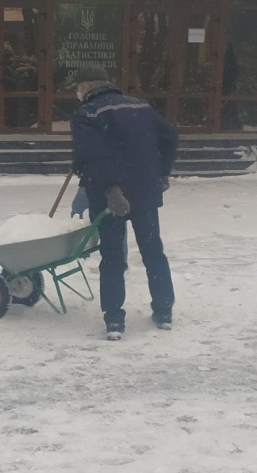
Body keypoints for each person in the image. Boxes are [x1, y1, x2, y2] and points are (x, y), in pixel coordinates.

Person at [67, 65, 178, 340]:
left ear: (86, 87)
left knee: (113, 258)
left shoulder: (86, 114)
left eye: (77, 88)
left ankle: (114, 320)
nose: (77, 93)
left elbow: (95, 155)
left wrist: (111, 188)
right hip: (144, 192)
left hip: (109, 198)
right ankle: (164, 311)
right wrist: (162, 172)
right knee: (153, 250)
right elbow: (170, 136)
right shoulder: (140, 106)